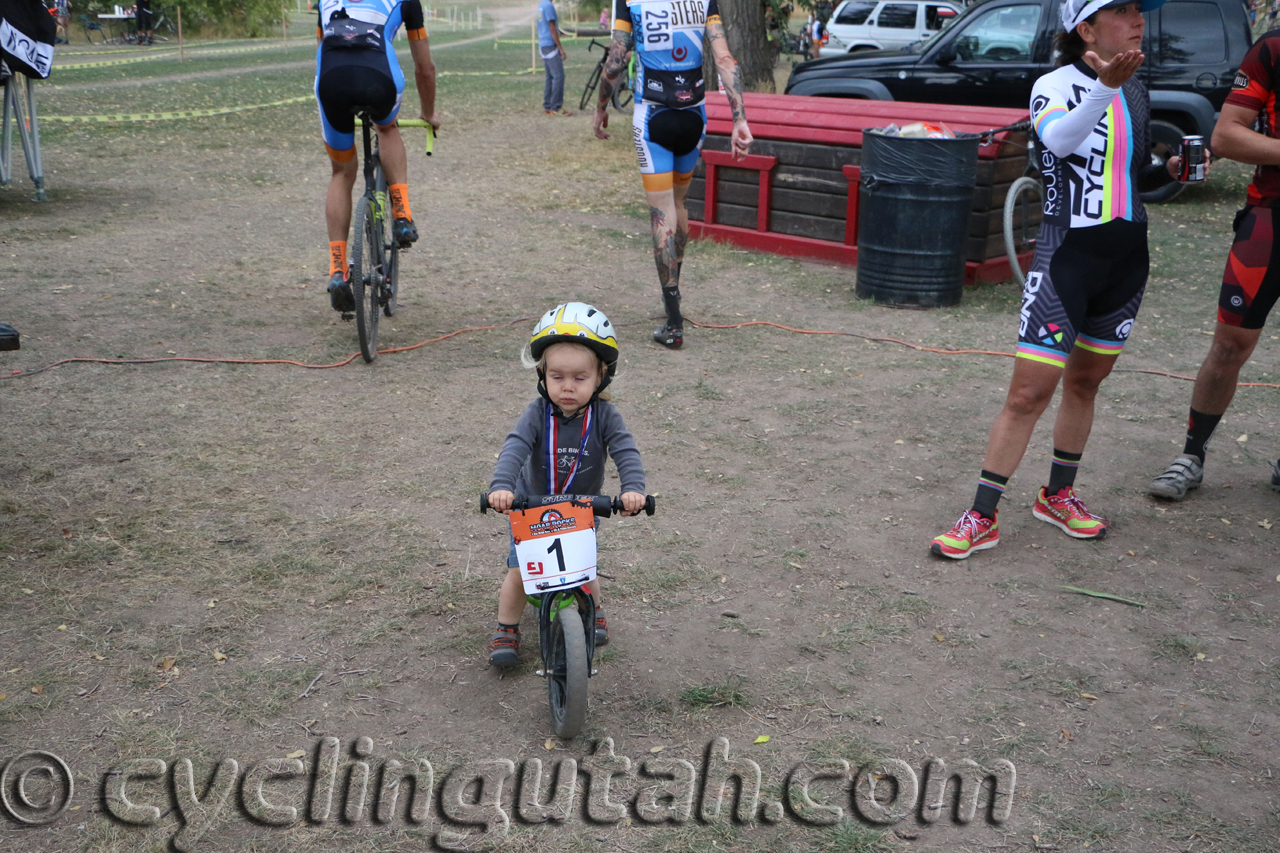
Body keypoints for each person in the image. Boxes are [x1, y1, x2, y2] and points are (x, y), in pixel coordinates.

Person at [930, 0, 1190, 559]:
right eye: (1120, 10)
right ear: (1086, 27)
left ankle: (1058, 495)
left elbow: (1127, 171)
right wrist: (1104, 87)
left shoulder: (1138, 90)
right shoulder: (1055, 83)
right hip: (1066, 257)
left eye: (1139, 9)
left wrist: (1167, 170)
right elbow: (1061, 143)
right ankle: (981, 515)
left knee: (1085, 383)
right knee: (1028, 392)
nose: (1137, 19)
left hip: (1126, 257)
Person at [1149, 32, 1280, 500]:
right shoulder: (1273, 48)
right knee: (1229, 345)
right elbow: (1226, 133)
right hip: (1270, 216)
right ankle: (1192, 455)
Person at [485, 303, 647, 666]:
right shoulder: (536, 413)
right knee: (519, 571)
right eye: (557, 377)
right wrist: (502, 486)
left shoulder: (604, 415)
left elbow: (625, 450)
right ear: (542, 374)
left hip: (582, 509)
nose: (568, 387)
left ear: (601, 376)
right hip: (530, 508)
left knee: (583, 567)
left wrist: (633, 488)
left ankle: (596, 609)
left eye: (579, 378)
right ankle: (506, 627)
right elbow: (515, 447)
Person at [592, 0, 753, 349]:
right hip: (694, 117)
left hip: (653, 116)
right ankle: (674, 294)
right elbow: (725, 59)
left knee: (660, 210)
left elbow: (616, 62)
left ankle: (674, 319)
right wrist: (740, 119)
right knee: (679, 203)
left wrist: (601, 107)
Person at [315, 0, 440, 312]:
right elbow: (425, 68)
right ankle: (402, 215)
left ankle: (337, 270)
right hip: (378, 79)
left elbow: (323, 46)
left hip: (332, 83)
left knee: (342, 173)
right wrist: (429, 114)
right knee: (386, 128)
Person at [537, 0, 571, 116]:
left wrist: (559, 31)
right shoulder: (549, 6)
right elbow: (551, 27)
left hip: (543, 44)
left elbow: (547, 26)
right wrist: (560, 48)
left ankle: (548, 105)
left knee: (550, 76)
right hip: (550, 45)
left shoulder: (541, 5)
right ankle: (556, 107)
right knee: (558, 76)